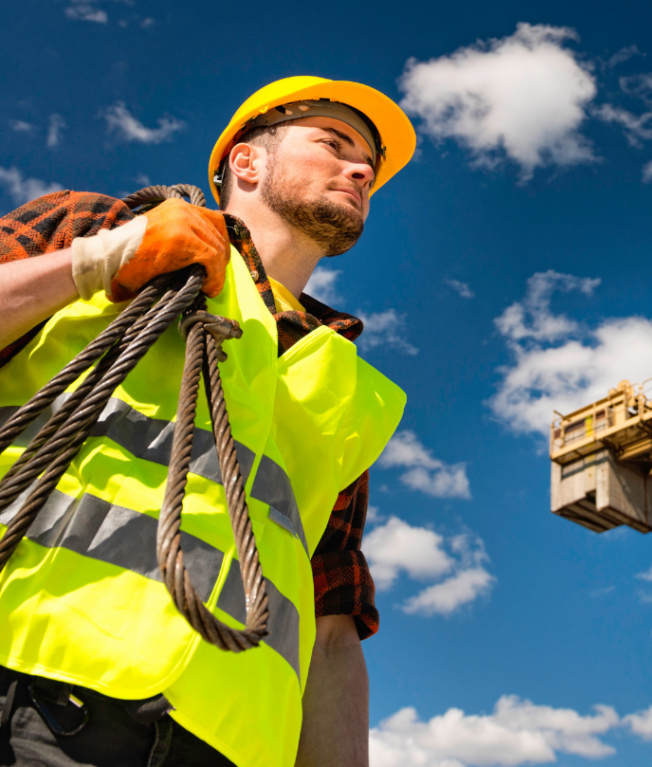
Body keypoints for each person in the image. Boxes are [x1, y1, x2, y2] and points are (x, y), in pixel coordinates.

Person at [0, 76, 417, 767]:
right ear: (247, 163)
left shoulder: (342, 383)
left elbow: (332, 631)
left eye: (367, 163)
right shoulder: (101, 231)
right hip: (33, 691)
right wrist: (96, 264)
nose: (362, 169)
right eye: (333, 142)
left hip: (231, 747)